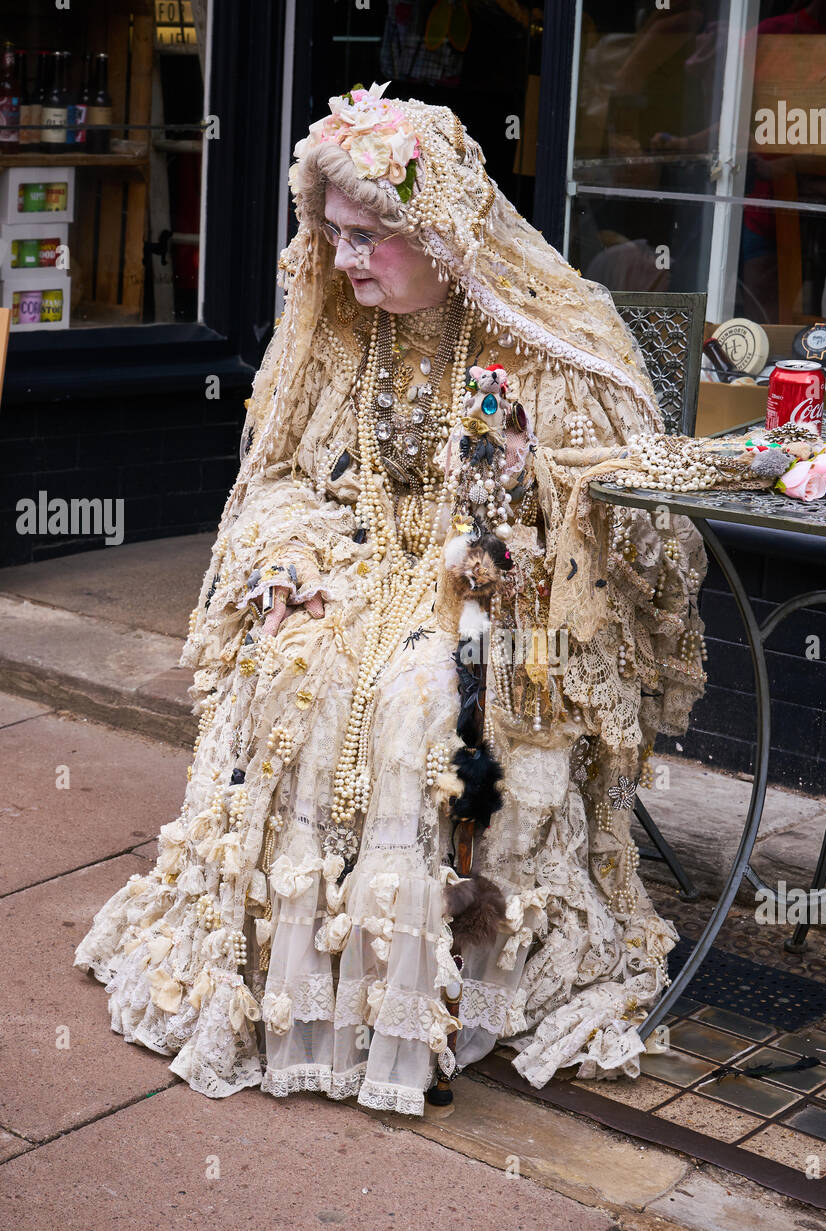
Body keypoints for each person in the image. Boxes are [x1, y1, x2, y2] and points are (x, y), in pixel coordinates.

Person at [75, 85, 707, 1117]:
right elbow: (280, 475)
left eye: (370, 237)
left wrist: (505, 532)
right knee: (292, 660)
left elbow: (612, 513)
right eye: (332, 236)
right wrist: (286, 560)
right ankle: (313, 994)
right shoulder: (337, 333)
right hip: (356, 564)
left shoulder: (546, 337)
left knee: (423, 694)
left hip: (501, 592)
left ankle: (435, 983)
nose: (344, 260)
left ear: (439, 232)